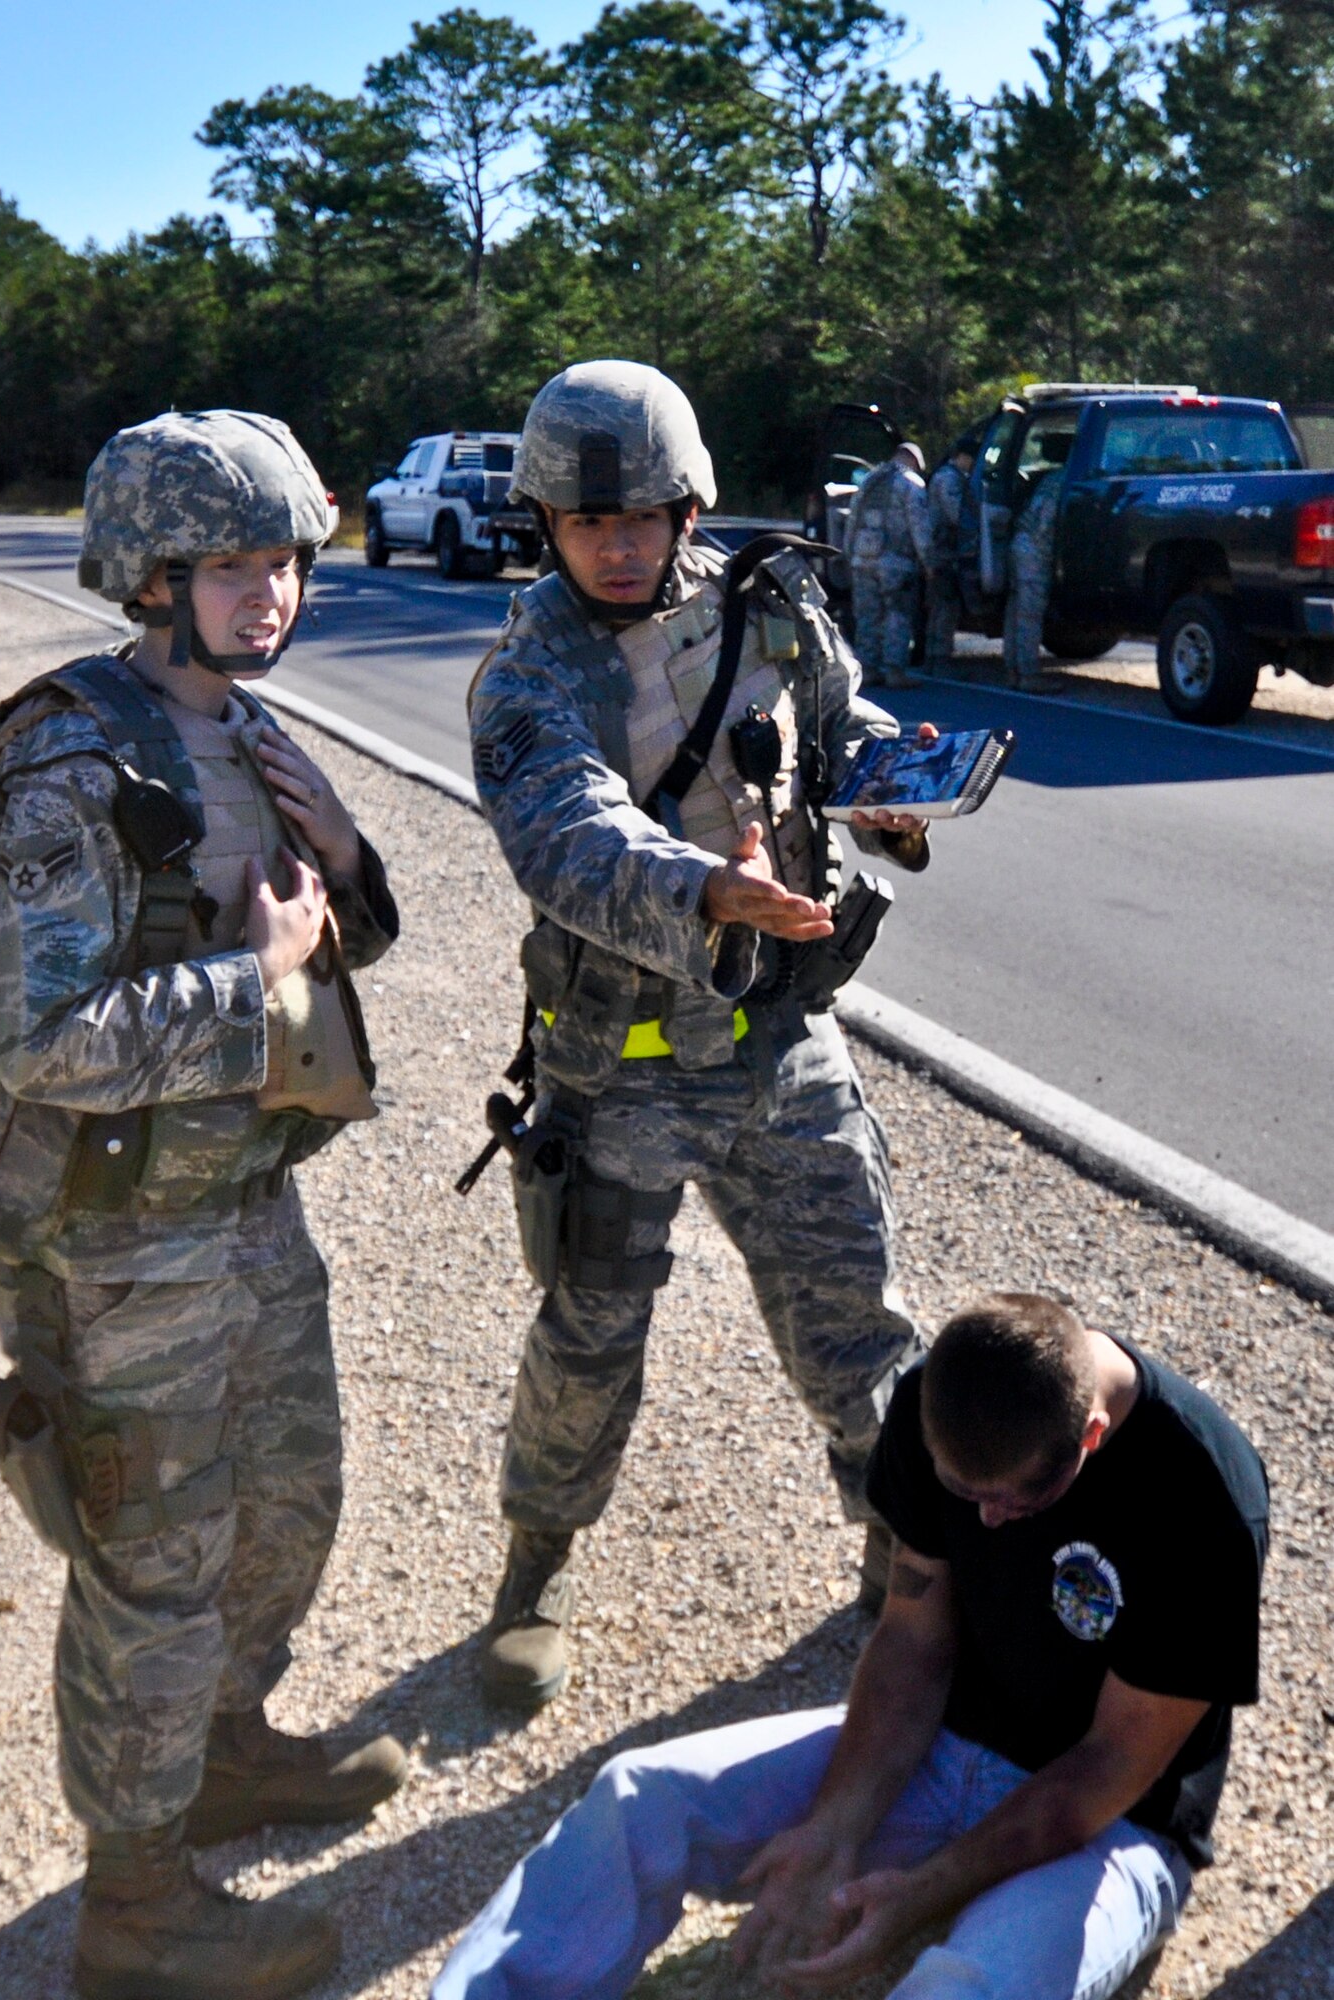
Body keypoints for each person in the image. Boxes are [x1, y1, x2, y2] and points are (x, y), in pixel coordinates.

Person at [0, 410, 407, 2000]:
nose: (268, 593)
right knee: (152, 1562)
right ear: (150, 576)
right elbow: (45, 1042)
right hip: (112, 1244)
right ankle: (135, 1904)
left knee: (288, 1502)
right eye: (229, 565)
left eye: (285, 562)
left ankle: (220, 1749)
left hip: (245, 1202)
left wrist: (345, 854)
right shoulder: (67, 765)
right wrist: (249, 975)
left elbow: (329, 934)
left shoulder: (245, 732)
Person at [466, 360, 932, 1712]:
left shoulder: (767, 605)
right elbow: (564, 834)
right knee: (590, 1331)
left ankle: (907, 1552)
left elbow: (840, 721)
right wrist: (703, 891)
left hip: (781, 1032)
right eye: (586, 522)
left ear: (686, 510)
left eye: (641, 518)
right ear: (545, 524)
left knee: (855, 1306)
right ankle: (536, 1565)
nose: (616, 546)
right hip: (621, 1068)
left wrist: (893, 785)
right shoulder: (528, 670)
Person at [432, 1292, 1268, 2000]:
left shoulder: (1201, 1496)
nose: (988, 1520)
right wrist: (834, 1827)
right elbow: (911, 1642)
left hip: (1112, 1826)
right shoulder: (926, 1404)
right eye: (962, 1491)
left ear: (1089, 1435)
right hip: (941, 1748)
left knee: (969, 1987)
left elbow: (1108, 1766)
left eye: (1020, 1499)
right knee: (636, 1799)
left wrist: (916, 1898)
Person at [843, 441, 935, 689]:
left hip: (862, 560)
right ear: (914, 461)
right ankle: (895, 671)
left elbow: (852, 521)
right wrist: (929, 563)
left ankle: (868, 669)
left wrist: (848, 555)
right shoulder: (911, 484)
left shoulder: (868, 481)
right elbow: (919, 527)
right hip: (896, 563)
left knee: (867, 616)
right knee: (898, 615)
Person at [1003, 432, 1073, 691]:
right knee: (1029, 615)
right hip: (1035, 550)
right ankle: (1029, 675)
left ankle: (1013, 671)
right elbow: (1047, 522)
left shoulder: (1046, 478)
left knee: (1016, 611)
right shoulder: (1063, 479)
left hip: (1020, 545)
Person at [923, 432, 981, 675]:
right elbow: (956, 514)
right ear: (963, 457)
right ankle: (939, 658)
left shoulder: (948, 476)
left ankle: (933, 658)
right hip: (944, 553)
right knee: (946, 607)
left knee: (942, 606)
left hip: (943, 551)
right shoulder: (949, 479)